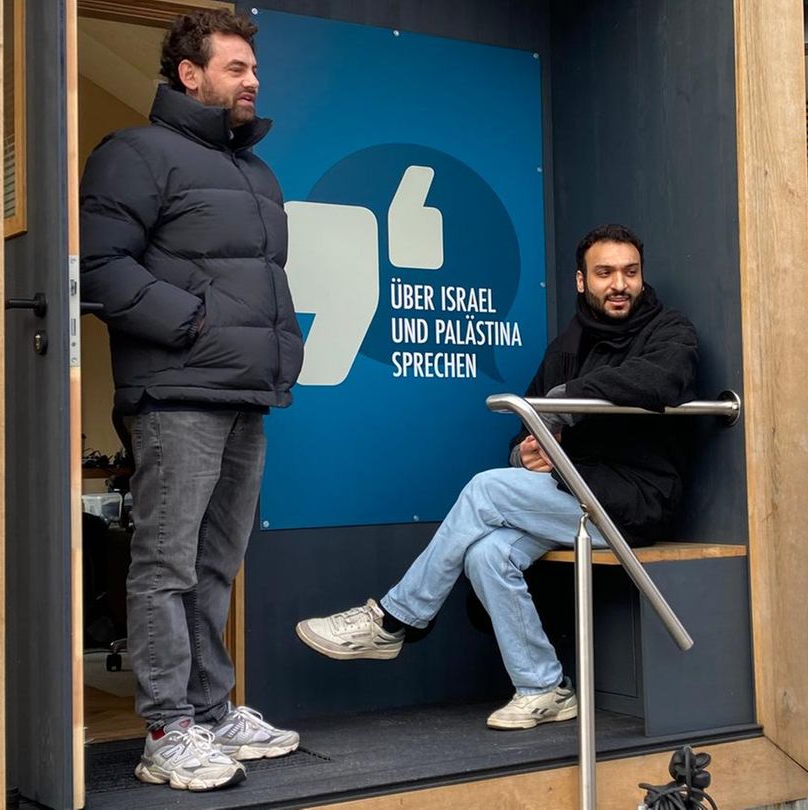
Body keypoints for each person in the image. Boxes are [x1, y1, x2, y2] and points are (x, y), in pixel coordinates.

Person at [296, 224, 698, 730]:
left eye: (630, 272)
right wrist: (524, 453)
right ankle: (543, 686)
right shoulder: (569, 342)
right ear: (581, 282)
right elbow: (528, 420)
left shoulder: (669, 330)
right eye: (605, 273)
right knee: (487, 553)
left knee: (484, 490)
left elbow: (663, 379)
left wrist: (566, 402)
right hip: (574, 496)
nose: (619, 284)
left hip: (634, 502)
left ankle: (394, 619)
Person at [79, 9, 303, 792]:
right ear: (190, 75)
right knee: (165, 566)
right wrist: (194, 323)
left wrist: (281, 351)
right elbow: (100, 268)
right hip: (177, 393)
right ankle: (167, 729)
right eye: (236, 68)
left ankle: (210, 710)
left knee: (217, 565)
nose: (252, 81)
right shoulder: (136, 154)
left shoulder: (255, 172)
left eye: (254, 69)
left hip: (244, 392)